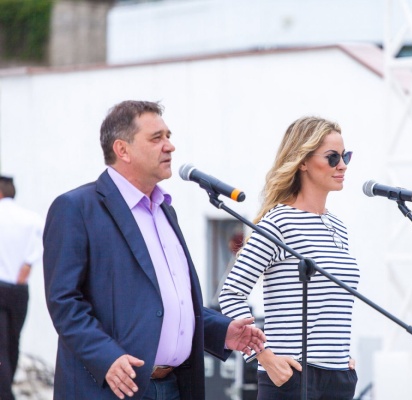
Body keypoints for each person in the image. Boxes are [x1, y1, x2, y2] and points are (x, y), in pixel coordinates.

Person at [43, 100, 266, 400]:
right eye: (156, 138)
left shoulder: (164, 210)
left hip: (173, 386)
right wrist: (105, 356)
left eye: (168, 136)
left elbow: (169, 302)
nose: (170, 146)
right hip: (111, 388)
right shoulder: (77, 208)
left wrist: (220, 331)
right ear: (123, 150)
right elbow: (64, 301)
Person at [219, 116, 360, 399]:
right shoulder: (278, 222)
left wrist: (340, 358)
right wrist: (263, 356)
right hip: (291, 375)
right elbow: (231, 293)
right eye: (333, 157)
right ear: (303, 162)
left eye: (345, 156)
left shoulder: (338, 227)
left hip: (338, 378)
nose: (343, 165)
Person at [0, 175, 43, 400]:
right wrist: (27, 266)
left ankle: (4, 393)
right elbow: (46, 242)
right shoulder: (30, 218)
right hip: (19, 289)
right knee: (13, 342)